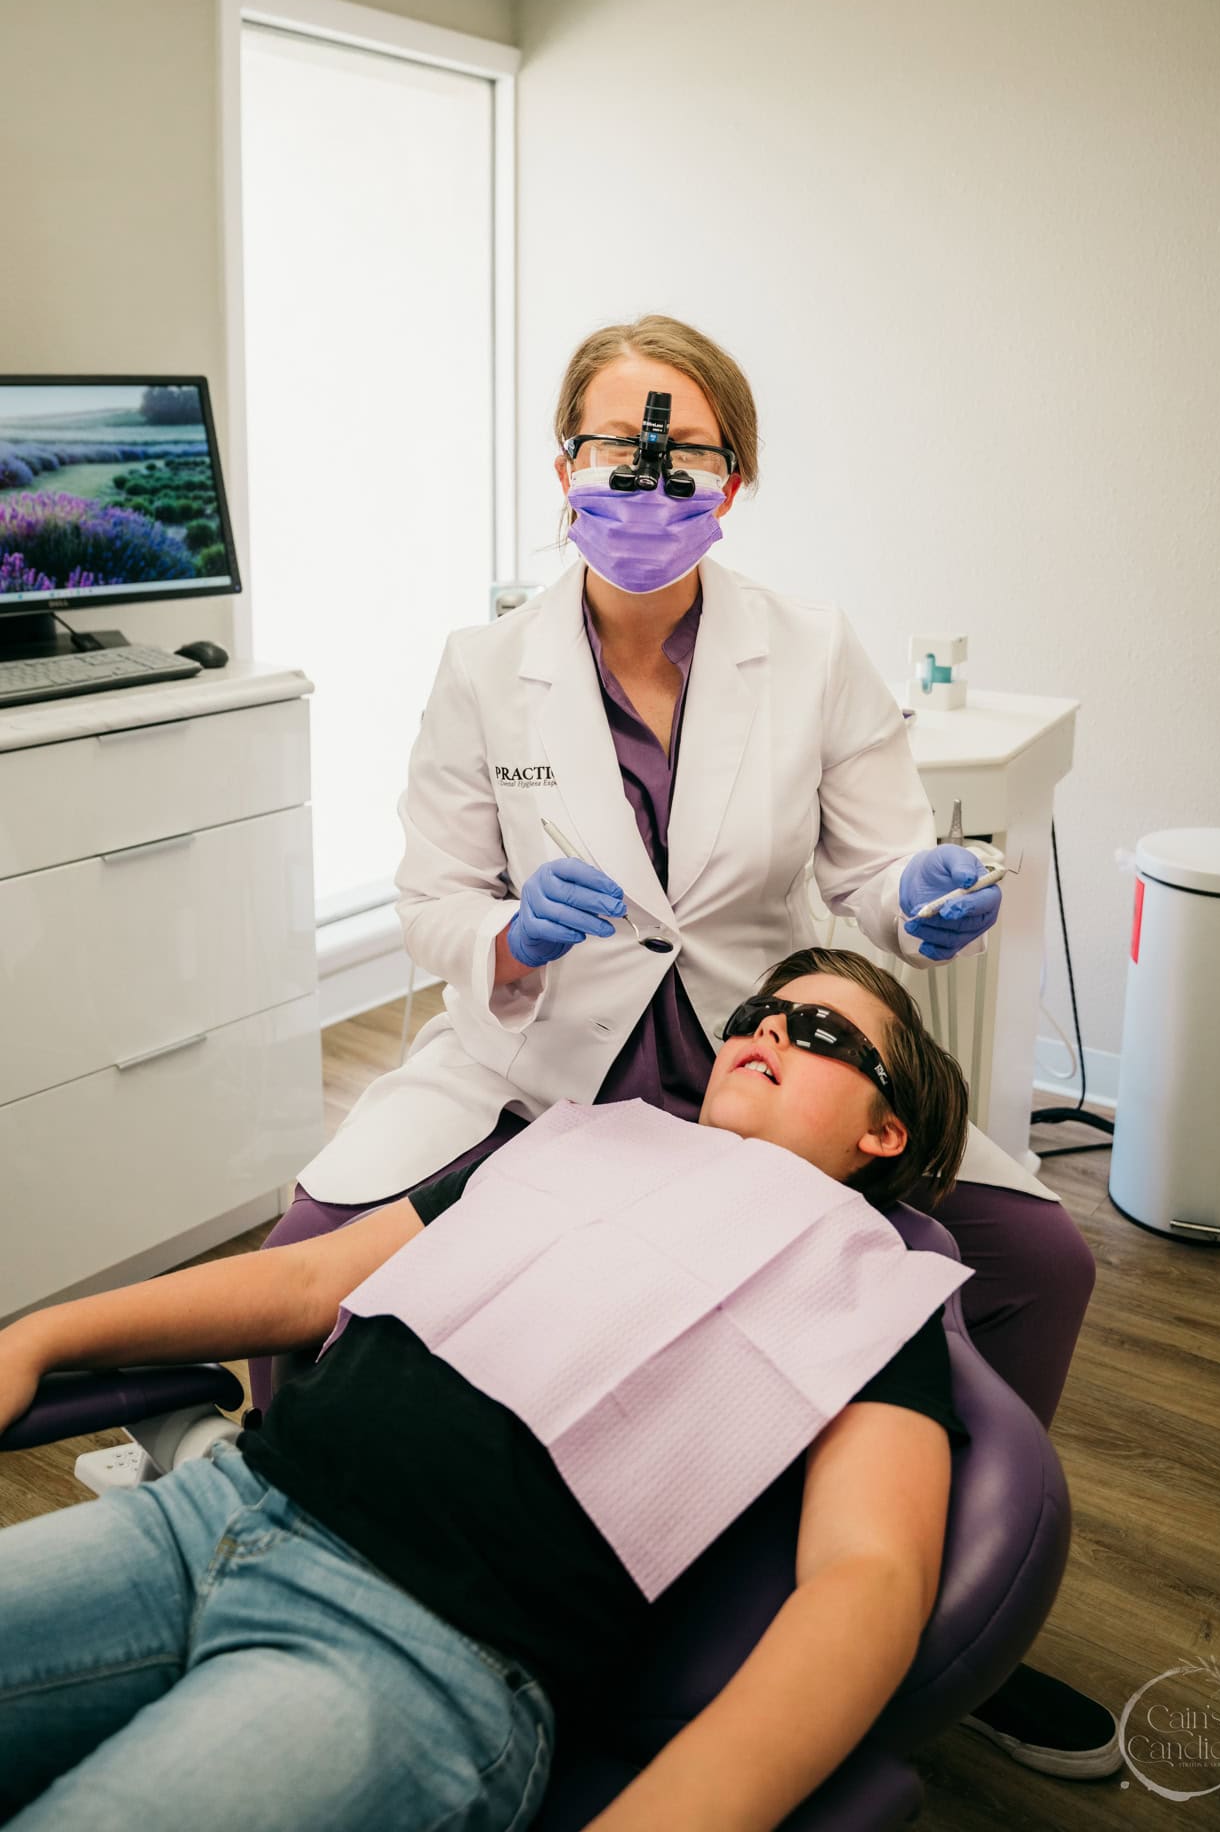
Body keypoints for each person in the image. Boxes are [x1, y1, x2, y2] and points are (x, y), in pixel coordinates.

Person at [254, 314, 1110, 1774]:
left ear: (735, 476)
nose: (645, 482)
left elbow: (875, 869)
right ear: (563, 461)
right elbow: (432, 900)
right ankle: (317, 1540)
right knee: (314, 1240)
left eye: (685, 451)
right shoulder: (486, 667)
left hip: (755, 1063)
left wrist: (916, 897)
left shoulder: (813, 650)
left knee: (1040, 1258)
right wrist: (512, 938)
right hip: (546, 1064)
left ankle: (965, 1625)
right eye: (614, 445)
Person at [0, 952, 971, 1832]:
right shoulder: (580, 1142)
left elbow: (867, 1575)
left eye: (820, 1033)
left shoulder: (871, 1287)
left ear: (884, 1131)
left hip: (416, 1655)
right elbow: (309, 1280)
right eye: (760, 1013)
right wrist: (37, 1337)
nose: (768, 1031)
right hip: (215, 1512)